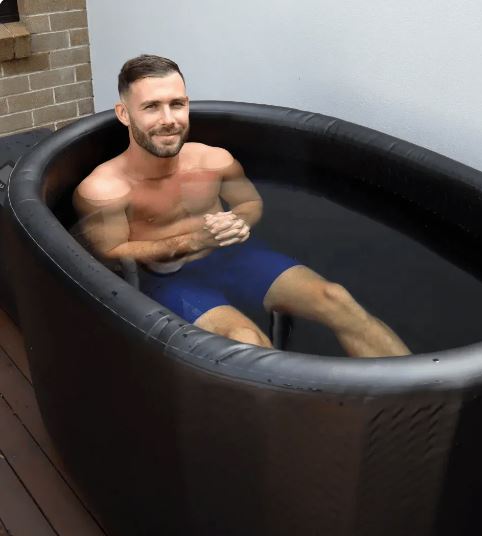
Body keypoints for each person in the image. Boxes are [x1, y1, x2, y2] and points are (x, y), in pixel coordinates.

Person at [73, 55, 410, 357]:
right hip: (165, 279)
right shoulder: (105, 189)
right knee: (246, 340)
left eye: (177, 104)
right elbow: (110, 254)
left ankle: (414, 409)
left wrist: (239, 221)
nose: (168, 119)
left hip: (231, 256)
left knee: (338, 299)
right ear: (124, 113)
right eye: (151, 107)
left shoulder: (214, 160)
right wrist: (187, 243)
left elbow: (250, 202)